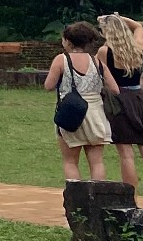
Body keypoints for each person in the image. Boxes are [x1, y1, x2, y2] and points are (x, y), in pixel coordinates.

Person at [99, 15, 143, 207]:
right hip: (140, 98)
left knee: (126, 154)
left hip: (119, 100)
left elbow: (100, 75)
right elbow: (137, 27)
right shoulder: (138, 47)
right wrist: (118, 18)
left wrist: (107, 19)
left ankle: (132, 200)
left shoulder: (105, 51)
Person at [43, 20, 117, 183]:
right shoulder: (97, 61)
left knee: (70, 161)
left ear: (68, 41)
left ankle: (76, 202)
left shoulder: (61, 60)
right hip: (95, 114)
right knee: (97, 162)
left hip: (72, 112)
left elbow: (48, 85)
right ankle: (97, 199)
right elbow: (114, 89)